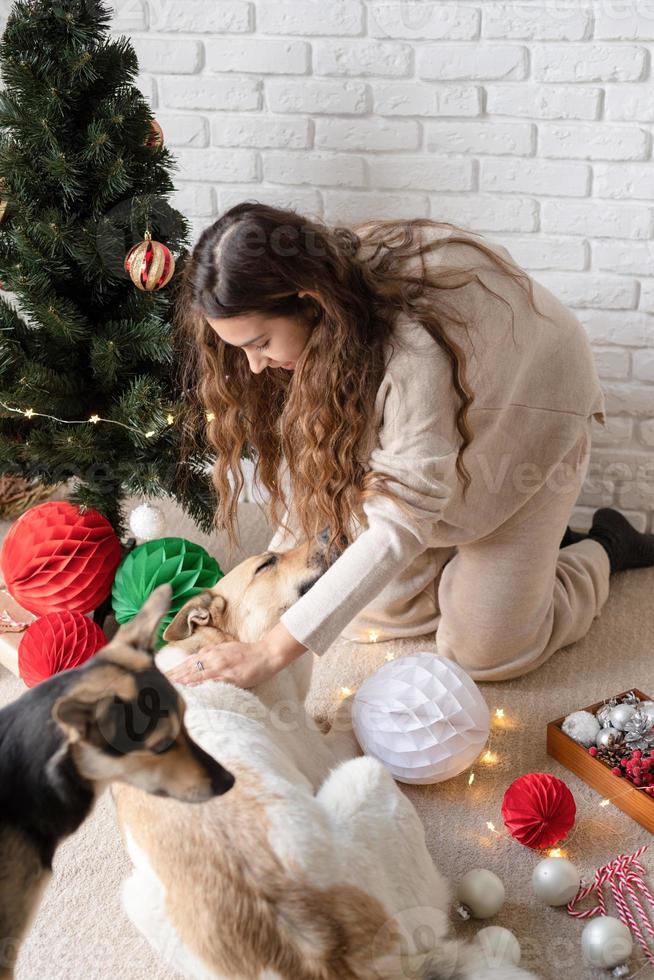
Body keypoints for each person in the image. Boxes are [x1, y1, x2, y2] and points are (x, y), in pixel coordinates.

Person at [165, 202, 654, 690]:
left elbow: (402, 520)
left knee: (485, 654)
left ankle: (604, 546)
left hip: (524, 443)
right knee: (354, 615)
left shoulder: (413, 348)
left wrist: (271, 652)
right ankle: (501, 566)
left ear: (309, 301)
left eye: (261, 343)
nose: (253, 365)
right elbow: (318, 463)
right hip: (442, 450)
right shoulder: (323, 326)